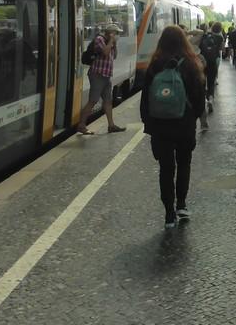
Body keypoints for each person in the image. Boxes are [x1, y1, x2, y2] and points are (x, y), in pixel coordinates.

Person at [140, 25, 206, 229]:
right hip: (184, 124)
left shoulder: (155, 64)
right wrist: (194, 116)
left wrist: (148, 123)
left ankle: (169, 213)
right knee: (184, 164)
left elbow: (145, 98)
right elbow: (199, 95)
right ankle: (181, 205)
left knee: (166, 168)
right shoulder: (191, 63)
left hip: (160, 126)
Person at [76, 23, 125, 135]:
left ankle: (111, 125)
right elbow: (105, 53)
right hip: (97, 74)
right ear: (111, 33)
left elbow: (114, 56)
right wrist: (111, 40)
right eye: (117, 33)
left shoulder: (111, 43)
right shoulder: (99, 39)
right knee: (93, 101)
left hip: (106, 76)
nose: (118, 35)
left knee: (108, 101)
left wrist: (114, 44)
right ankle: (81, 125)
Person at [198, 22, 224, 116]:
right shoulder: (219, 37)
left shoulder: (201, 37)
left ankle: (202, 101)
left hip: (202, 62)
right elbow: (221, 49)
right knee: (211, 83)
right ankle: (210, 99)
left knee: (202, 83)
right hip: (212, 62)